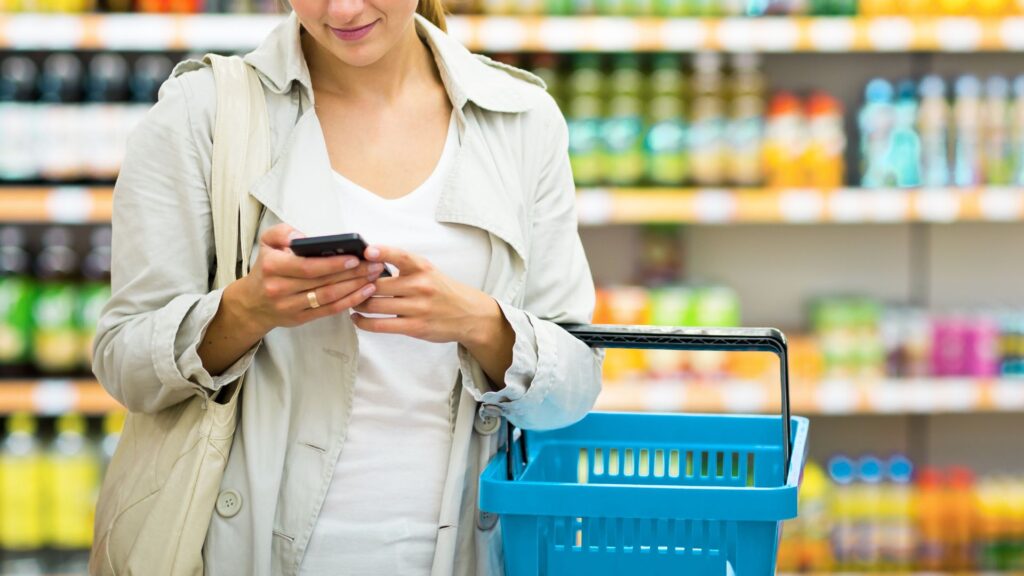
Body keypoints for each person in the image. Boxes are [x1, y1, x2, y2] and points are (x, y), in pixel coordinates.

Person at [91, 0, 603, 574]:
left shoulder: (521, 120)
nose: (342, 8)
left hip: (465, 553)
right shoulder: (201, 113)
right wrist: (247, 310)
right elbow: (124, 361)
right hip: (244, 551)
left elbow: (575, 385)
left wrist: (479, 322)